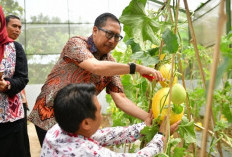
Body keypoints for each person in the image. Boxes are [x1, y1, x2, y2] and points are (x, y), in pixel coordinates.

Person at [28, 12, 164, 146]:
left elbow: (120, 99)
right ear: (95, 30)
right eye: (109, 34)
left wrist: (148, 117)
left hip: (77, 122)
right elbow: (95, 66)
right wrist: (137, 68)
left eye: (117, 37)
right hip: (48, 116)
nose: (112, 40)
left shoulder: (111, 62)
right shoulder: (76, 44)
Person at [41, 83, 180, 157]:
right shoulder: (87, 152)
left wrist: (142, 128)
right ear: (86, 123)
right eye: (99, 111)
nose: (102, 116)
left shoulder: (56, 131)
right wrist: (161, 137)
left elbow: (106, 135)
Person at [0, 5, 29, 157]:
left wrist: (7, 85)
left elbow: (23, 77)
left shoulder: (16, 48)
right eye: (14, 26)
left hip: (10, 116)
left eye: (20, 27)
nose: (18, 30)